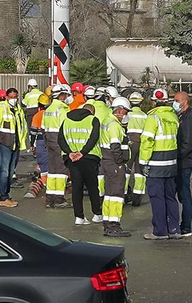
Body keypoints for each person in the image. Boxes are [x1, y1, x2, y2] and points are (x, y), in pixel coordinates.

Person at [138, 90, 182, 240]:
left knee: (157, 198)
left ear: (153, 102)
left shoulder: (153, 118)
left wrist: (143, 162)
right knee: (170, 197)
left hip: (155, 164)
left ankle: (160, 231)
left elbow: (147, 141)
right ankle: (174, 229)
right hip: (171, 164)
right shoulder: (173, 117)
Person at [61, 90, 104, 227]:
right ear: (92, 112)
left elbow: (60, 139)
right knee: (92, 187)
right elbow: (94, 138)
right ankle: (97, 214)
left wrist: (70, 153)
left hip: (72, 159)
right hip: (89, 157)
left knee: (76, 188)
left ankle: (79, 217)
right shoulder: (93, 120)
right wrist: (83, 152)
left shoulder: (66, 120)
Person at [168, 91, 192, 235]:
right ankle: (175, 224)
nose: (174, 102)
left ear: (185, 102)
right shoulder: (181, 116)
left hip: (184, 162)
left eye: (176, 100)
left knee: (184, 194)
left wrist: (176, 156)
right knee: (178, 193)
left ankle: (186, 226)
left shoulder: (188, 119)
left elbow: (187, 143)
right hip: (181, 161)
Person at [99, 98, 133, 237]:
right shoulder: (114, 125)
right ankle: (114, 225)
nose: (126, 114)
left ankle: (107, 222)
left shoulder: (106, 121)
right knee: (117, 194)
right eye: (125, 111)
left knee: (109, 193)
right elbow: (115, 146)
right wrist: (120, 163)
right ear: (119, 109)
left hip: (107, 161)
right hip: (114, 162)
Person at [0, 86, 28, 207]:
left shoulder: (18, 110)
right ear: (6, 97)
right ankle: (3, 197)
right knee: (4, 171)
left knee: (11, 172)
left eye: (15, 97)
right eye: (11, 97)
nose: (13, 99)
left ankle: (6, 195)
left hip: (15, 145)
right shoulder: (2, 109)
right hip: (4, 145)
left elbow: (22, 127)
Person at [44, 84, 71, 207]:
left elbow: (43, 127)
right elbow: (66, 128)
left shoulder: (48, 109)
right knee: (61, 170)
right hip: (60, 141)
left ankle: (50, 198)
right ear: (61, 96)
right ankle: (59, 199)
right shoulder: (62, 109)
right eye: (65, 95)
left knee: (52, 170)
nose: (66, 97)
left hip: (49, 140)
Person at [126, 91, 148, 206]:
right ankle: (137, 197)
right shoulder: (145, 116)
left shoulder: (127, 115)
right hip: (142, 144)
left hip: (129, 144)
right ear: (141, 103)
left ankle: (124, 193)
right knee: (140, 171)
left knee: (126, 169)